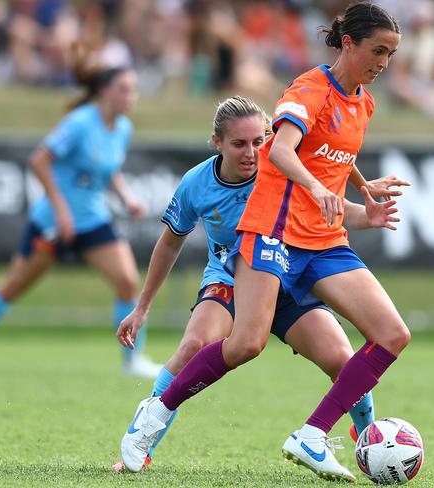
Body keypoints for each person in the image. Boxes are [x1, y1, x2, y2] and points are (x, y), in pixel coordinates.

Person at [120, 2, 408, 482]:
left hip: (323, 241)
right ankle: (155, 415)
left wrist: (363, 192)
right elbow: (282, 146)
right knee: (245, 344)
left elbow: (332, 150)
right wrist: (316, 189)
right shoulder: (309, 88)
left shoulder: (364, 100)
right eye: (378, 51)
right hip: (273, 232)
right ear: (349, 43)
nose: (384, 63)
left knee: (391, 335)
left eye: (391, 55)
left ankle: (313, 435)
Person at [0, 56, 160, 378]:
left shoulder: (122, 127)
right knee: (13, 286)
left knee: (127, 281)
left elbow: (109, 168)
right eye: (124, 89)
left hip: (92, 219)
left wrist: (126, 198)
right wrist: (62, 211)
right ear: (104, 92)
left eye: (133, 90)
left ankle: (132, 360)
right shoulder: (80, 122)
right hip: (53, 221)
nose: (130, 97)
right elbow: (39, 161)